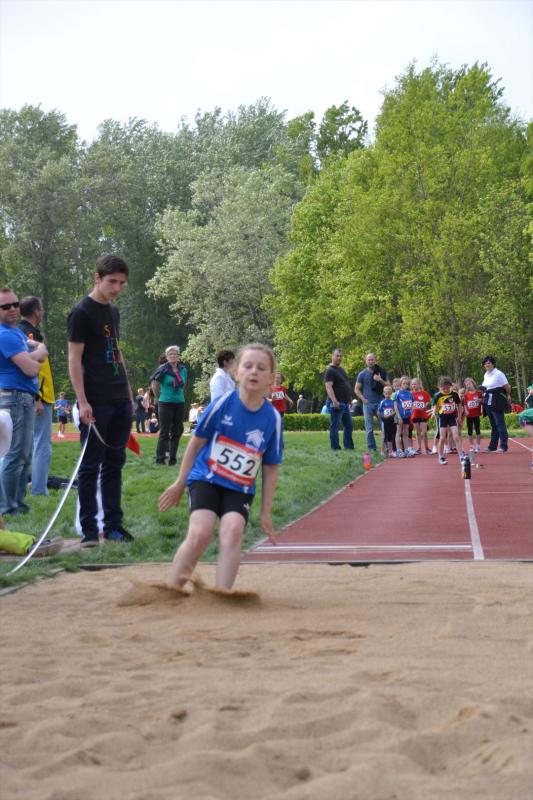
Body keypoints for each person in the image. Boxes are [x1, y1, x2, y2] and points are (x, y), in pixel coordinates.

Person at [158, 343, 282, 591]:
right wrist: (180, 483)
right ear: (236, 372)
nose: (254, 372)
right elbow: (195, 444)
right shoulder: (222, 404)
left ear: (271, 378)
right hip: (206, 478)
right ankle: (172, 590)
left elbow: (271, 466)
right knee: (201, 532)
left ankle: (222, 595)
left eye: (261, 368)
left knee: (233, 530)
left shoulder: (273, 419)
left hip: (239, 488)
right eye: (248, 366)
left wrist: (265, 511)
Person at [67, 254, 134, 548]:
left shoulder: (113, 312)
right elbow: (74, 359)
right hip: (96, 400)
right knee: (91, 465)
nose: (117, 288)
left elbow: (117, 351)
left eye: (122, 283)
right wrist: (82, 401)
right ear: (97, 277)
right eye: (112, 282)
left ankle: (114, 526)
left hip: (119, 398)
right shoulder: (81, 312)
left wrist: (129, 393)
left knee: (115, 464)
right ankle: (89, 531)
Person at [0, 287, 48, 516]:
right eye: (5, 306)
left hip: (22, 397)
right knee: (14, 454)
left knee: (22, 455)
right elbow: (32, 368)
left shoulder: (16, 334)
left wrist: (35, 353)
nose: (12, 309)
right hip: (15, 398)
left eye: (15, 304)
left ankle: (17, 504)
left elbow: (41, 351)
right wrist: (35, 356)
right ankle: (8, 507)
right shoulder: (6, 335)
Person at [18, 296, 56, 495]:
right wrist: (37, 398)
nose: (42, 312)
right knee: (42, 445)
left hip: (29, 396)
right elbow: (30, 368)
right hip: (37, 397)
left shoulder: (20, 332)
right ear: (36, 312)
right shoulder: (30, 335)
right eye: (41, 309)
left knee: (25, 445)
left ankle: (23, 485)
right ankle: (39, 489)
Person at [151, 345, 188, 465]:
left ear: (178, 356)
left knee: (177, 431)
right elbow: (155, 385)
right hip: (165, 403)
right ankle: (160, 459)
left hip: (179, 403)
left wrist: (179, 395)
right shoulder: (162, 369)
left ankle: (172, 459)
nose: (173, 355)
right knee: (164, 431)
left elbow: (184, 384)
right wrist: (158, 397)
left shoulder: (183, 369)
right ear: (167, 357)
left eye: (175, 353)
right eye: (170, 354)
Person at [354, 353, 389, 452]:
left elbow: (389, 386)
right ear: (366, 361)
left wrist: (380, 380)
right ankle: (372, 448)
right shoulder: (362, 374)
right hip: (367, 404)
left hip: (381, 403)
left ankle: (387, 447)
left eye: (372, 359)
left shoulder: (381, 371)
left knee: (384, 426)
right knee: (369, 428)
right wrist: (363, 399)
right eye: (368, 360)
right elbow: (356, 389)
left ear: (375, 360)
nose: (370, 361)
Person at [324, 348, 354, 451]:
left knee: (349, 425)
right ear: (332, 356)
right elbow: (328, 387)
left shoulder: (341, 369)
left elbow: (345, 384)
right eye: (337, 356)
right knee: (335, 426)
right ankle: (335, 447)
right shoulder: (330, 370)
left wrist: (349, 399)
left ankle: (349, 446)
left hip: (344, 402)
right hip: (336, 403)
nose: (339, 358)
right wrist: (334, 401)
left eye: (340, 356)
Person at [481, 356, 511, 453]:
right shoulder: (486, 375)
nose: (487, 365)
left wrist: (508, 396)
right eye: (485, 363)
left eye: (489, 363)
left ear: (493, 364)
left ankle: (503, 446)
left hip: (497, 399)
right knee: (493, 424)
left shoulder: (499, 374)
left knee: (500, 423)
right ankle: (492, 447)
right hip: (488, 399)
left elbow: (507, 387)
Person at [432, 377, 464, 465]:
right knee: (442, 438)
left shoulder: (454, 394)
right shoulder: (437, 395)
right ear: (440, 387)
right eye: (443, 388)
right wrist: (433, 413)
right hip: (442, 418)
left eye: (447, 388)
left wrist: (459, 416)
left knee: (456, 436)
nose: (446, 390)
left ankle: (461, 456)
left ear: (450, 386)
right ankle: (441, 456)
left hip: (452, 418)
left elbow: (459, 405)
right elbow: (435, 406)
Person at [394, 376, 415, 457]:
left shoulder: (409, 393)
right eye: (403, 383)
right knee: (398, 432)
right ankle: (399, 451)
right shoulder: (397, 393)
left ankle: (406, 450)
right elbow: (395, 406)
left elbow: (412, 404)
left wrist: (411, 412)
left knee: (405, 433)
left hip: (407, 416)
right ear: (400, 384)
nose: (405, 385)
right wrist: (399, 416)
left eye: (407, 384)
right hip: (398, 416)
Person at [410, 377, 432, 455]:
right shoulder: (410, 394)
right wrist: (412, 406)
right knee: (417, 432)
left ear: (419, 384)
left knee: (424, 432)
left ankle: (427, 448)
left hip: (423, 415)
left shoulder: (424, 393)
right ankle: (419, 448)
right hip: (415, 415)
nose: (413, 386)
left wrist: (425, 405)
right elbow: (408, 402)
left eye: (415, 384)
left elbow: (429, 400)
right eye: (412, 384)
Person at [462, 377, 483, 453]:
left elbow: (483, 401)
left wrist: (480, 401)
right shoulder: (466, 395)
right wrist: (466, 410)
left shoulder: (479, 393)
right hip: (469, 415)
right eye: (467, 384)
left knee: (477, 430)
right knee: (469, 431)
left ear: (473, 383)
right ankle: (471, 446)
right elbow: (465, 404)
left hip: (476, 414)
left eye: (469, 383)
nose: (468, 385)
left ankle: (478, 446)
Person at [378, 385, 396, 457]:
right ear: (383, 393)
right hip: (384, 421)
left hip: (391, 420)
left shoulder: (393, 402)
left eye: (389, 393)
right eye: (386, 393)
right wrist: (383, 416)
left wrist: (391, 414)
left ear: (391, 393)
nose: (388, 395)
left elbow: (395, 411)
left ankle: (390, 451)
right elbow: (378, 412)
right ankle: (382, 451)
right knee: (384, 436)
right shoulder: (382, 402)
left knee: (390, 436)